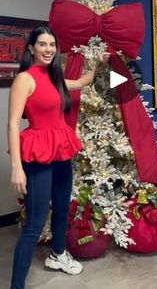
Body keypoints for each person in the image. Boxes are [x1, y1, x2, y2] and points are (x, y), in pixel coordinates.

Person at [7, 26, 110, 289]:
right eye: (42, 44)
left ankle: (57, 255)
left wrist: (97, 66)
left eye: (52, 44)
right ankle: (16, 285)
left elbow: (82, 81)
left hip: (60, 148)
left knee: (63, 208)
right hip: (38, 151)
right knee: (35, 223)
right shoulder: (24, 79)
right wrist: (17, 168)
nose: (48, 49)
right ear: (31, 48)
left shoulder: (55, 76)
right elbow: (11, 124)